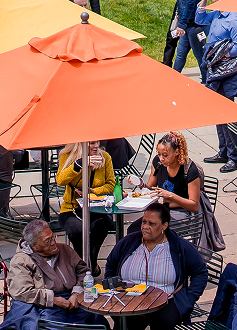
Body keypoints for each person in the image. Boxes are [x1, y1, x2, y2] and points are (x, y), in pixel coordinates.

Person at [106, 202, 209, 330]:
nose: (145, 227)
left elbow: (200, 272)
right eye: (144, 222)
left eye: (152, 224)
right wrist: (114, 288)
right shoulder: (128, 242)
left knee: (165, 322)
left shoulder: (180, 246)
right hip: (129, 299)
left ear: (164, 225)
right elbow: (111, 264)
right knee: (124, 324)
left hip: (166, 301)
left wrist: (189, 299)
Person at [0, 220, 109, 330]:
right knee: (45, 325)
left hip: (70, 299)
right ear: (33, 246)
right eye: (47, 241)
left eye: (53, 237)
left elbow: (83, 272)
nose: (53, 243)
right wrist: (53, 300)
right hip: (40, 304)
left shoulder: (65, 250)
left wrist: (76, 293)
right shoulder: (21, 261)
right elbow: (23, 292)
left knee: (98, 322)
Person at [196, 0, 237, 173]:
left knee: (229, 115)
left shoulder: (233, 19)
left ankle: (234, 158)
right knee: (218, 112)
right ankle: (224, 152)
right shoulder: (217, 14)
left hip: (227, 74)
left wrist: (220, 54)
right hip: (214, 72)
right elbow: (199, 17)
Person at [56, 141, 116, 271]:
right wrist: (78, 164)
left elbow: (111, 185)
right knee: (77, 230)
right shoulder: (68, 156)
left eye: (97, 142)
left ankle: (88, 265)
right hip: (71, 208)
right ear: (81, 143)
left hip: (98, 208)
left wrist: (93, 191)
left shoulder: (105, 157)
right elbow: (60, 180)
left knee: (103, 224)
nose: (96, 146)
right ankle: (87, 267)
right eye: (92, 143)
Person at [138, 132, 204, 219]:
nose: (161, 158)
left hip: (183, 212)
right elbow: (151, 188)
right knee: (137, 226)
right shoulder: (158, 163)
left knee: (154, 225)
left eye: (165, 155)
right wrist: (141, 184)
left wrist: (170, 195)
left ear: (177, 152)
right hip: (163, 210)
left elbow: (194, 206)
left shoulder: (190, 170)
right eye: (159, 154)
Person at [170, 0, 208, 76]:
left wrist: (181, 25)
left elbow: (189, 6)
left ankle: (208, 81)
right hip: (188, 26)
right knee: (180, 55)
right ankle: (173, 78)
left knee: (199, 54)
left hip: (193, 26)